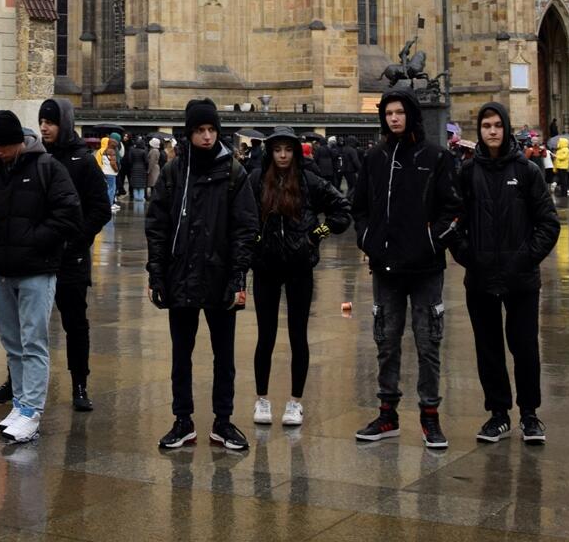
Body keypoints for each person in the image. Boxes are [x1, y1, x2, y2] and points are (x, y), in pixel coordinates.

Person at [350, 87, 461, 447]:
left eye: (399, 112)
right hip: (386, 267)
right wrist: (368, 239)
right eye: (388, 113)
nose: (394, 118)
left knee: (428, 342)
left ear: (411, 115)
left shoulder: (436, 157)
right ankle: (387, 415)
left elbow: (452, 208)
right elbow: (359, 207)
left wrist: (431, 241)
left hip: (426, 268)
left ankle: (430, 416)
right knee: (386, 341)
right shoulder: (375, 157)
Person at [145, 98, 258, 452]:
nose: (207, 137)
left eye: (211, 130)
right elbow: (157, 226)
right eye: (200, 130)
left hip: (219, 275)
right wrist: (156, 274)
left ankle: (223, 421)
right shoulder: (174, 172)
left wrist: (238, 277)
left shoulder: (234, 173)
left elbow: (245, 228)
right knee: (181, 354)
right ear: (189, 133)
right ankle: (183, 420)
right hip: (181, 275)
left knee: (224, 355)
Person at [0, 112, 82, 444]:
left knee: (33, 342)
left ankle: (32, 410)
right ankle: (19, 404)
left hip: (36, 269)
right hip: (2, 270)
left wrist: (33, 239)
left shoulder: (47, 168)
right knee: (12, 343)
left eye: (3, 146)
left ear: (19, 142)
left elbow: (70, 215)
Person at [452, 103, 560, 445]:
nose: (492, 131)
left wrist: (525, 259)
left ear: (506, 128)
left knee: (525, 347)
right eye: (486, 126)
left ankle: (529, 414)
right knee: (488, 350)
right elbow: (453, 222)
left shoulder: (527, 171)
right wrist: (468, 256)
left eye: (498, 125)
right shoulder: (467, 172)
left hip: (521, 278)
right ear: (480, 131)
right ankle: (498, 414)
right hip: (481, 276)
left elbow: (548, 223)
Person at [248, 127, 350, 428]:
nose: (282, 155)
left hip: (299, 266)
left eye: (288, 150)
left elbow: (342, 211)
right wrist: (255, 240)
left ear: (295, 152)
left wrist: (316, 235)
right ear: (271, 152)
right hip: (266, 267)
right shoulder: (257, 179)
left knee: (298, 335)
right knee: (265, 335)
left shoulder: (309, 181)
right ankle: (262, 399)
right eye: (277, 149)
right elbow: (241, 214)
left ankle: (295, 402)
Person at [97, 133, 121, 209]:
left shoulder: (102, 151)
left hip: (103, 171)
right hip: (111, 173)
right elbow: (113, 163)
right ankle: (110, 205)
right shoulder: (111, 151)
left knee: (106, 189)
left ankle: (106, 204)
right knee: (112, 189)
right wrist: (117, 169)